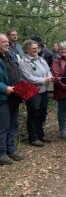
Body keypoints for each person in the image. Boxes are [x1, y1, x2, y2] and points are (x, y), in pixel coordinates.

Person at [19, 39, 54, 147]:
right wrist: (44, 80)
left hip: (43, 91)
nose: (35, 50)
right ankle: (33, 138)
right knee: (34, 113)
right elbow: (29, 77)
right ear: (27, 49)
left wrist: (50, 76)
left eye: (36, 48)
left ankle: (40, 135)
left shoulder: (41, 59)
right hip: (33, 91)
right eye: (33, 48)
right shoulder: (23, 62)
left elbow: (48, 70)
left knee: (42, 113)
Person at [0, 34, 24, 165]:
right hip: (3, 98)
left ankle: (11, 149)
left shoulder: (10, 55)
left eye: (7, 42)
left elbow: (17, 72)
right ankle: (1, 153)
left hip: (15, 96)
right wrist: (4, 88)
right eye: (4, 42)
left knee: (13, 124)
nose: (7, 43)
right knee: (3, 126)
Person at [51, 42, 66, 140]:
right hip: (61, 90)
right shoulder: (56, 61)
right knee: (62, 111)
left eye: (65, 49)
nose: (63, 51)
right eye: (61, 49)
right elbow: (57, 77)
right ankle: (63, 130)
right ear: (58, 50)